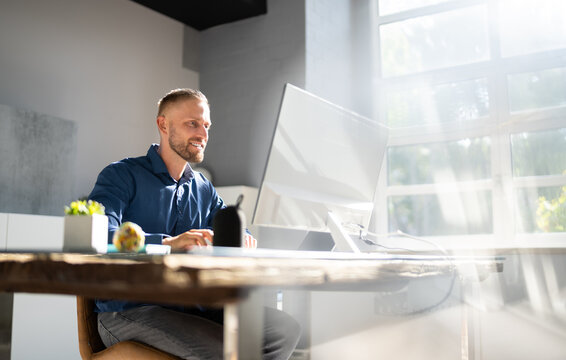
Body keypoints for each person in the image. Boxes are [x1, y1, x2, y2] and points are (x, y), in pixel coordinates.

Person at [88, 88, 300, 360]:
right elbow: (101, 237)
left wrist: (242, 238)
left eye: (206, 125)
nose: (203, 133)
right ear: (163, 124)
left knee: (282, 330)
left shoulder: (203, 188)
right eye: (193, 123)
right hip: (129, 310)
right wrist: (168, 244)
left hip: (189, 309)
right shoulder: (121, 174)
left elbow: (233, 227)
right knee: (221, 353)